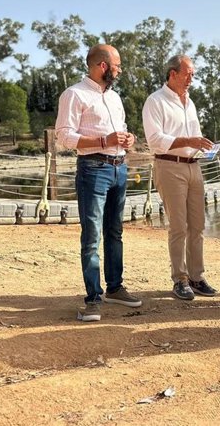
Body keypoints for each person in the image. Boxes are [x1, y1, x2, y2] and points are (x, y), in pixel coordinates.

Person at [55, 44, 142, 322]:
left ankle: (115, 288)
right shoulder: (74, 94)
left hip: (119, 168)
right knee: (92, 235)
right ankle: (93, 298)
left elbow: (121, 133)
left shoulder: (115, 98)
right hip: (93, 169)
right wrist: (105, 141)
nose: (120, 69)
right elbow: (65, 136)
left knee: (115, 232)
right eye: (117, 65)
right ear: (102, 66)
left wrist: (128, 140)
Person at [142, 54, 218, 301]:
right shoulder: (155, 101)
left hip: (194, 166)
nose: (191, 79)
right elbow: (155, 140)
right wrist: (189, 141)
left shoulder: (190, 103)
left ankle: (197, 277)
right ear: (172, 74)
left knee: (197, 226)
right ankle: (180, 279)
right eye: (188, 74)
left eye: (193, 75)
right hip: (169, 166)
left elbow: (193, 136)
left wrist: (204, 147)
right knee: (178, 226)